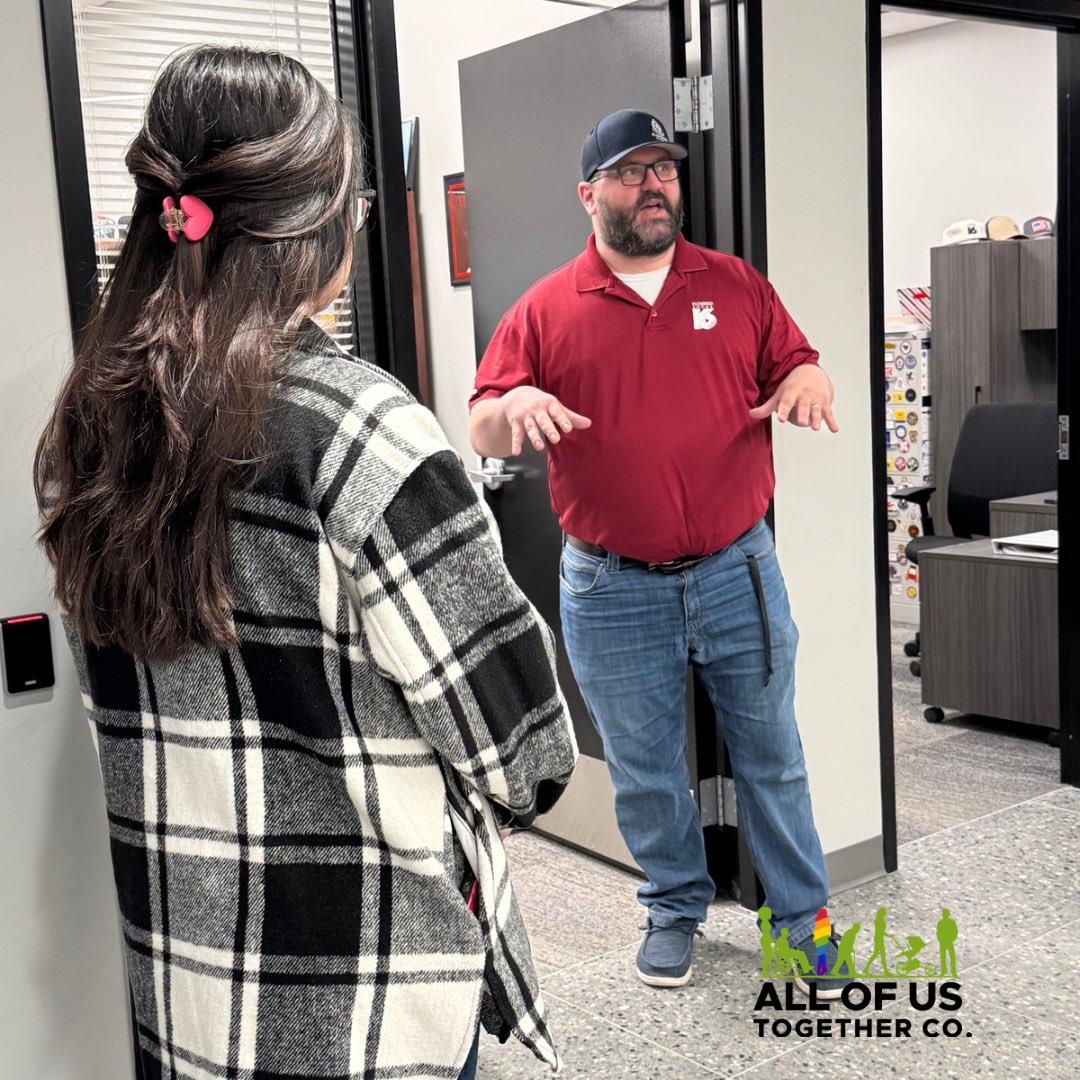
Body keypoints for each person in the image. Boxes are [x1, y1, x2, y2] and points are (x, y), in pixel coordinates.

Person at [35, 46, 577, 1080]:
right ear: (311, 227)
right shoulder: (362, 430)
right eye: (359, 205)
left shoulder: (92, 422)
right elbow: (527, 757)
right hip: (366, 994)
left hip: (188, 980)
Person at [468, 108, 844, 995]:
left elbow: (804, 363)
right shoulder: (546, 307)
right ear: (589, 193)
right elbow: (482, 415)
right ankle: (675, 905)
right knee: (643, 770)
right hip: (610, 586)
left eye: (665, 171)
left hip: (736, 569)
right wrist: (510, 413)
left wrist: (804, 381)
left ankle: (800, 922)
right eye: (632, 174)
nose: (654, 187)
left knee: (772, 755)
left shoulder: (734, 284)